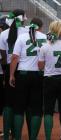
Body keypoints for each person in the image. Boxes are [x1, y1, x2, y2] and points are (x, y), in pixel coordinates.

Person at [9, 18, 46, 140]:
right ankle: (33, 137)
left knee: (19, 108)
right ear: (40, 27)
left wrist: (11, 75)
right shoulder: (45, 37)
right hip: (39, 75)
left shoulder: (22, 37)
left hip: (23, 74)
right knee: (36, 109)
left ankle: (18, 137)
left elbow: (15, 57)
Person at [0, 9, 28, 140]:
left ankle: (6, 135)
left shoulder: (4, 33)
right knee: (20, 105)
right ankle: (17, 136)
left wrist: (6, 72)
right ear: (24, 18)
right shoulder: (29, 32)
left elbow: (4, 57)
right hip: (24, 69)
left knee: (8, 104)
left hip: (8, 70)